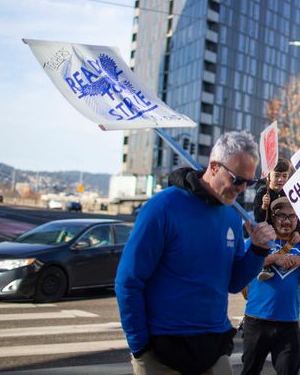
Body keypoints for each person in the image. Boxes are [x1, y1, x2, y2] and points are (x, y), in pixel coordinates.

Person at [115, 131, 276, 375]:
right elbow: (128, 281)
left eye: (249, 182)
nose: (242, 189)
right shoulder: (163, 208)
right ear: (213, 167)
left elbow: (232, 283)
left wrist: (257, 250)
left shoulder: (232, 217)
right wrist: (140, 347)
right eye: (237, 179)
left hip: (213, 346)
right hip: (161, 349)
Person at [241, 197, 300, 375]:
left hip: (289, 323)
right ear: (273, 217)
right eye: (281, 216)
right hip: (256, 320)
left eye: (292, 216)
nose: (287, 221)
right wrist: (274, 258)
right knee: (250, 371)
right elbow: (241, 266)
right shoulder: (259, 240)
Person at [253, 157, 294, 223]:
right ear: (268, 176)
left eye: (284, 176)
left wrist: (296, 231)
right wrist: (263, 207)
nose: (280, 179)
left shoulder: (290, 193)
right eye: (276, 176)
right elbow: (257, 220)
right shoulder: (262, 193)